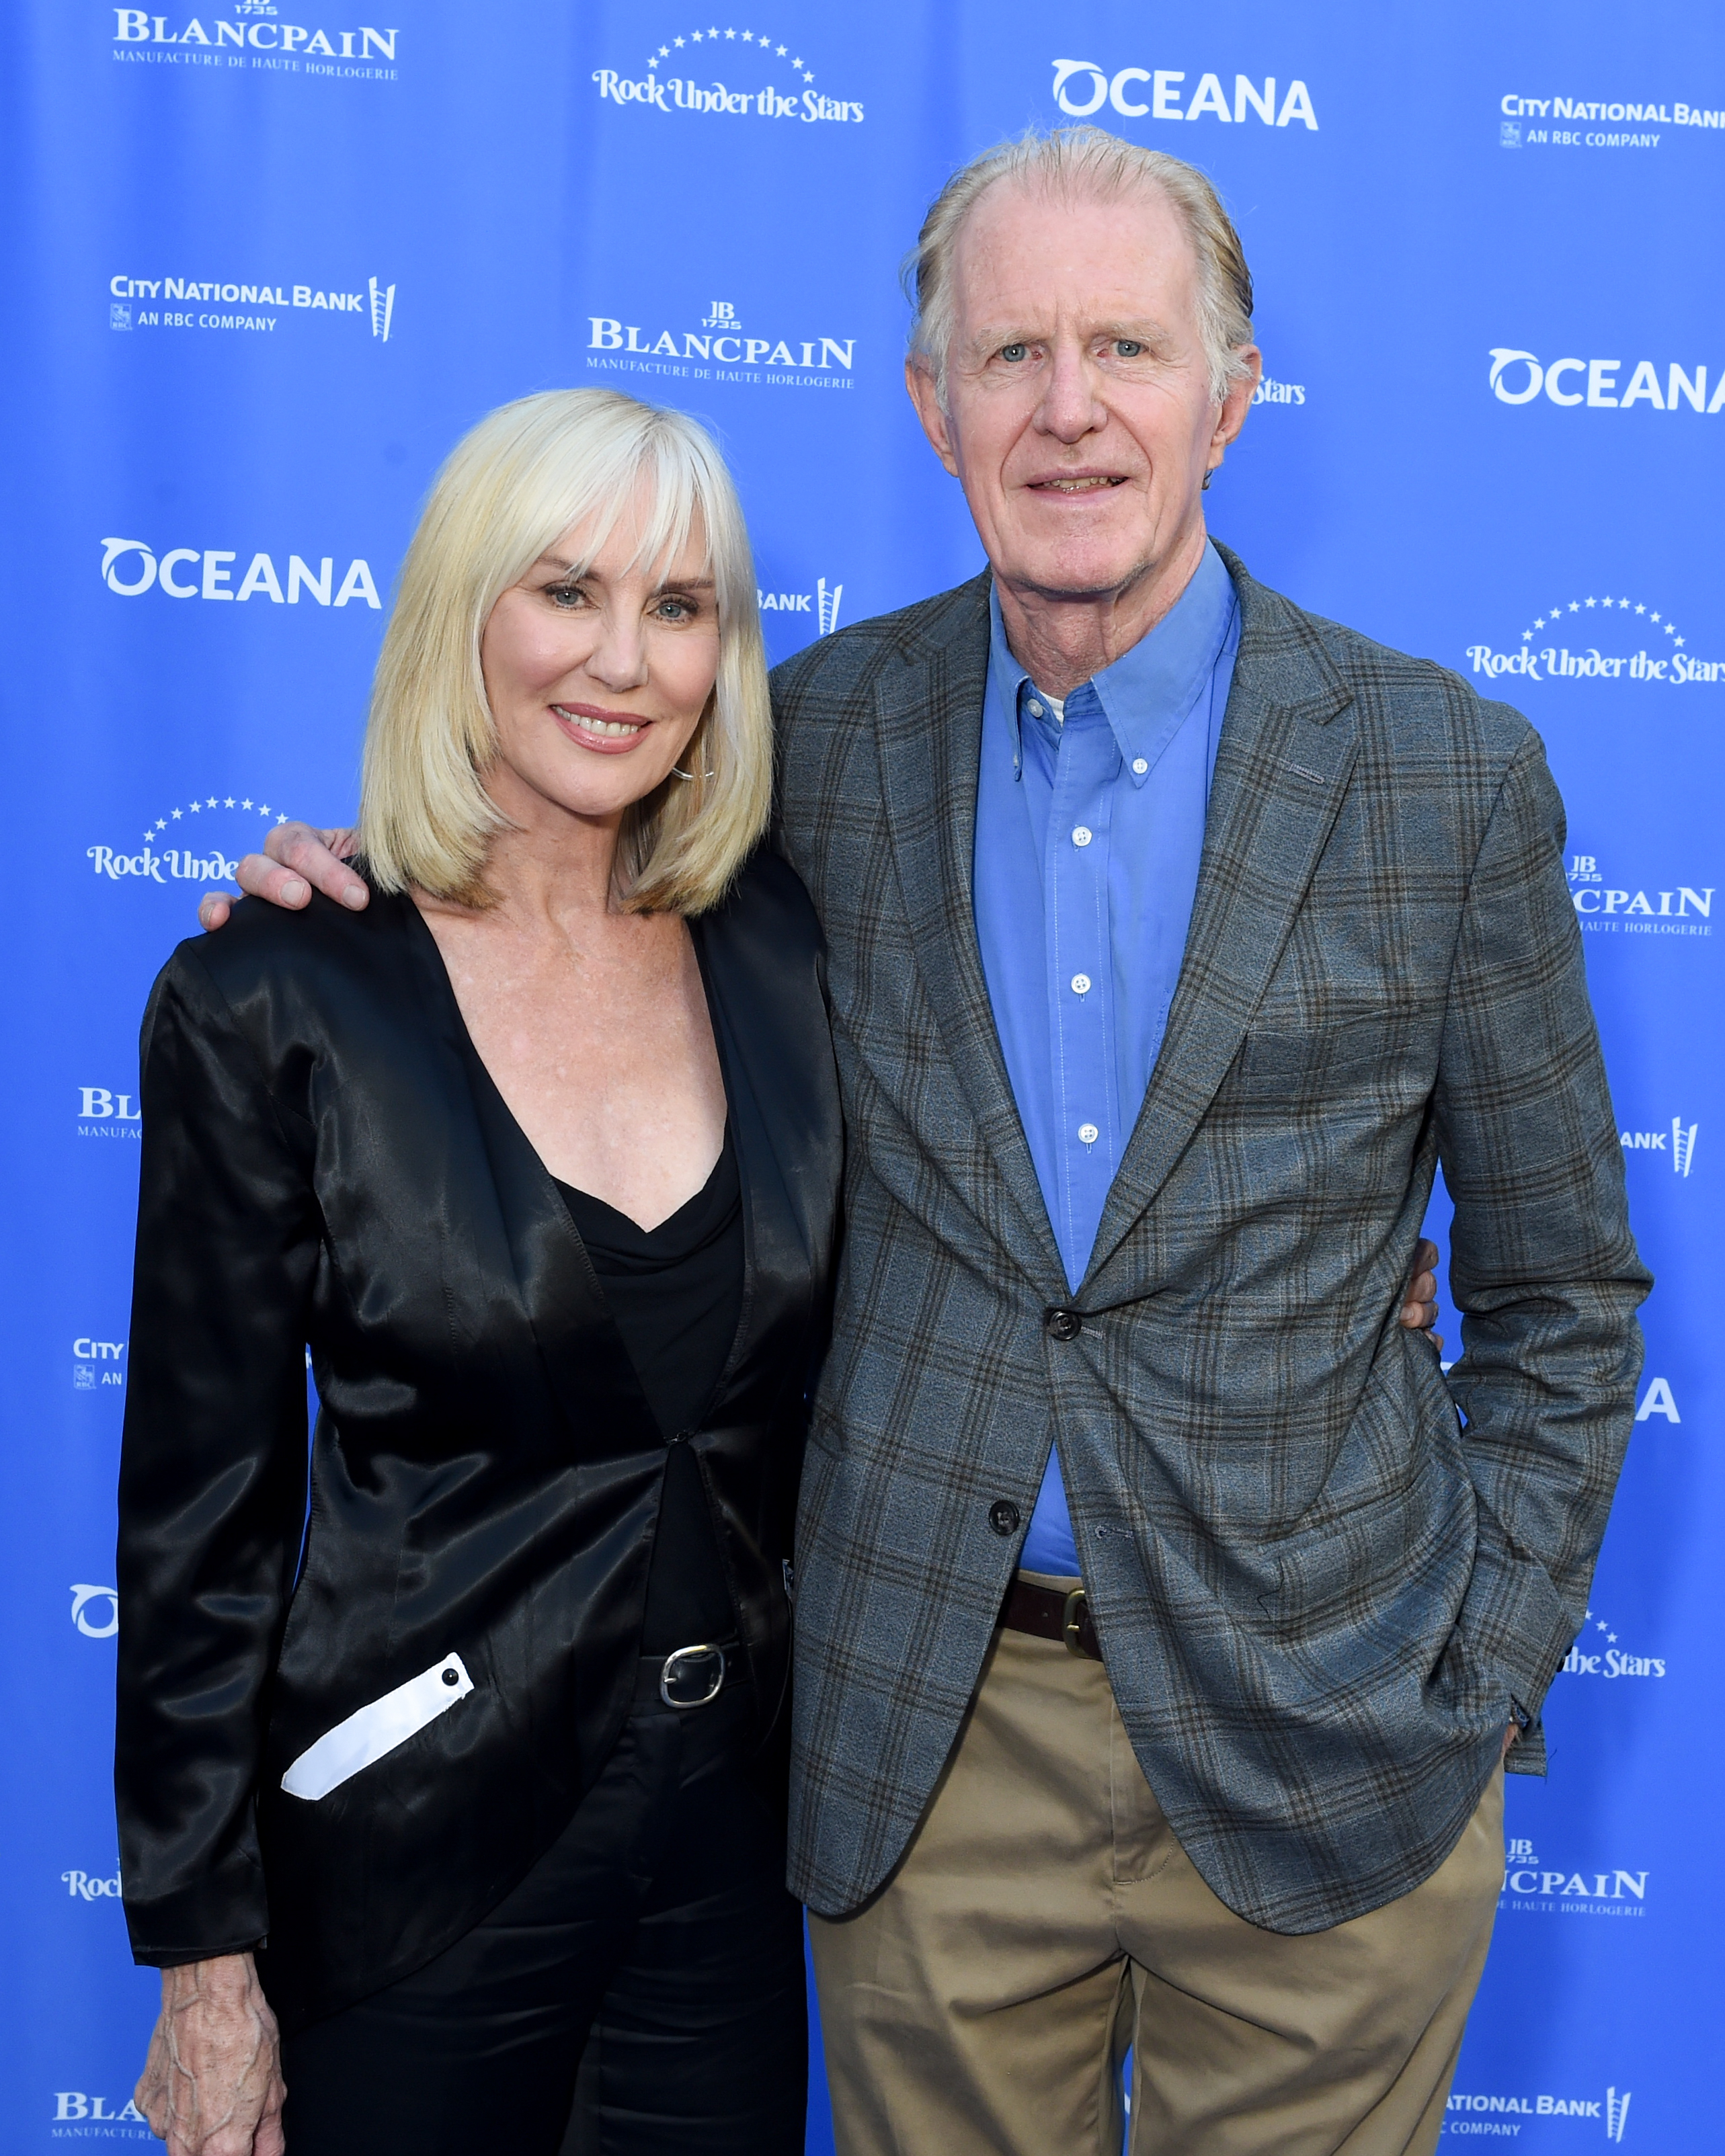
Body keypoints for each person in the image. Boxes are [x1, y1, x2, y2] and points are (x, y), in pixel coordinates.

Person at [199, 126, 1632, 2156]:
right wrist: (349, 903)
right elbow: (558, 887)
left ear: (1231, 395)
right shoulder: (806, 751)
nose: (1068, 410)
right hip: (925, 1753)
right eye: (1011, 353)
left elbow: (1564, 1289)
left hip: (1338, 1746)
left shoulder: (1444, 777)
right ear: (927, 404)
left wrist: (1477, 1673)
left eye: (1128, 349)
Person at [116, 388, 843, 2156]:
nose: (624, 660)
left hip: (730, 1873)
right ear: (465, 613)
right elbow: (199, 1523)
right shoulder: (279, 999)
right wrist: (207, 1966)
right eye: (566, 591)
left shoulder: (783, 941)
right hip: (415, 1862)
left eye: (681, 609)